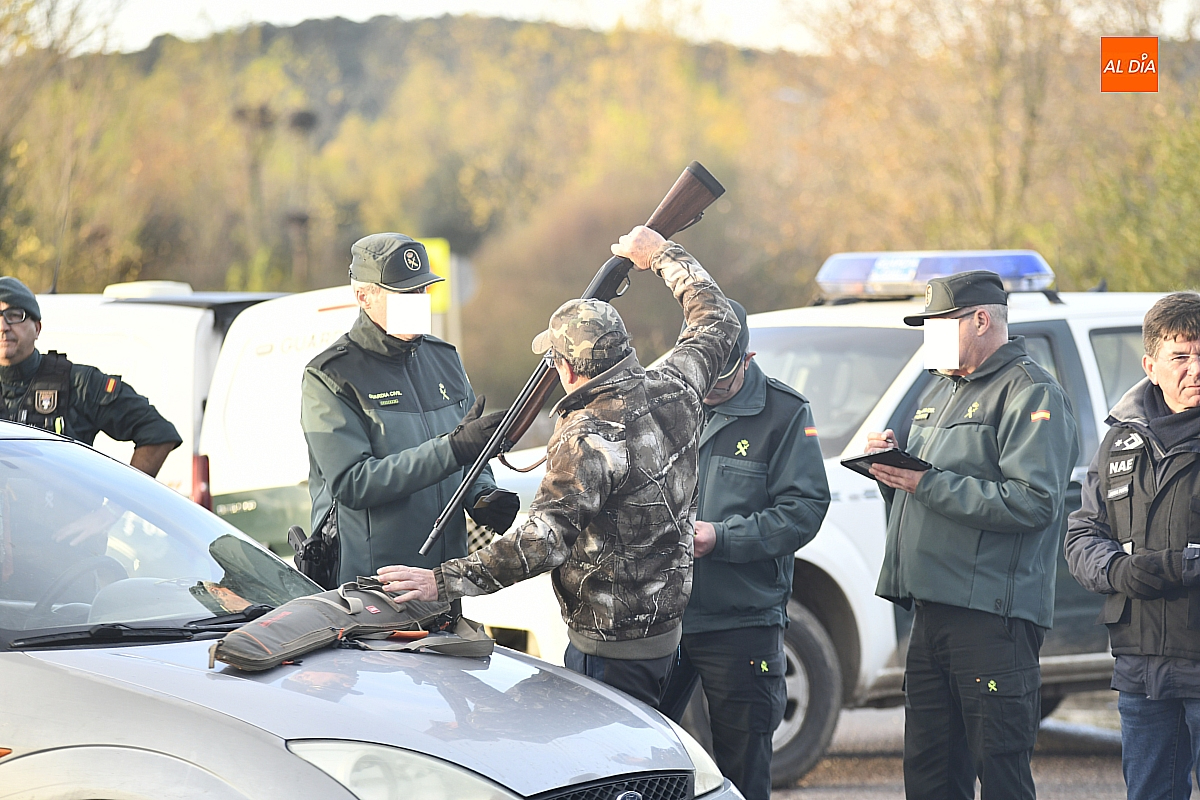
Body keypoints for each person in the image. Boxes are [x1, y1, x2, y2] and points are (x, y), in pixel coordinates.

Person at [376, 225, 740, 709]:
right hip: (667, 637)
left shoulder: (587, 438)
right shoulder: (676, 385)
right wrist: (661, 254)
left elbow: (541, 543)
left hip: (608, 653)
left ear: (566, 369)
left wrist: (439, 581)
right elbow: (717, 319)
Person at [867, 270, 1079, 800]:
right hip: (932, 611)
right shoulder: (940, 389)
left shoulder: (1030, 391)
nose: (929, 336)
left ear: (981, 320)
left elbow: (1034, 501)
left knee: (1001, 774)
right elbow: (925, 494)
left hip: (991, 617)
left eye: (938, 324)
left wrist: (926, 482)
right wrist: (893, 473)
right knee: (930, 776)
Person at [658, 298, 830, 800]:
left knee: (743, 768)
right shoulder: (667, 401)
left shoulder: (785, 414)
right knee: (644, 755)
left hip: (740, 622)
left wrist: (723, 537)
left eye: (720, 378)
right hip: (661, 619)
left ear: (748, 360)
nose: (707, 388)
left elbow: (804, 510)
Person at [300, 233, 519, 585]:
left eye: (422, 290)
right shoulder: (331, 376)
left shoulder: (444, 359)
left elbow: (467, 452)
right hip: (376, 589)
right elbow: (352, 483)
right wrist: (452, 450)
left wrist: (482, 493)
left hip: (443, 582)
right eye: (404, 293)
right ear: (363, 296)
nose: (418, 302)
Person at [1064, 292, 1200, 800]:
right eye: (1180, 356)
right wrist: (1117, 570)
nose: (1195, 369)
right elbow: (1082, 535)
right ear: (1150, 366)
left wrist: (1180, 566)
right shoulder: (1120, 441)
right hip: (1140, 668)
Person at [0, 276, 181, 476]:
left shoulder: (79, 384)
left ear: (37, 328)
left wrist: (119, 495)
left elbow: (157, 432)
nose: (3, 326)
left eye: (14, 315)